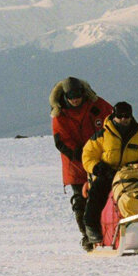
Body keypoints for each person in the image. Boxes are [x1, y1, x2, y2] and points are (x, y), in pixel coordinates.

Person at [81, 101, 138, 245]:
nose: (123, 119)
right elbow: (88, 154)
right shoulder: (103, 135)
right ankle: (92, 228)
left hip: (131, 176)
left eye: (127, 116)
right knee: (97, 192)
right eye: (120, 116)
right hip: (107, 175)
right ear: (113, 115)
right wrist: (97, 167)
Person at [50, 77, 113, 251]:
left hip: (102, 160)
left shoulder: (97, 105)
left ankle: (110, 230)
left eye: (78, 94)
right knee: (81, 201)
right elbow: (62, 141)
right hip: (76, 165)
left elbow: (112, 122)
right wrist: (82, 154)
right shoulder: (59, 115)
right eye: (71, 95)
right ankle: (88, 236)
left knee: (107, 194)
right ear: (65, 96)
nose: (75, 98)